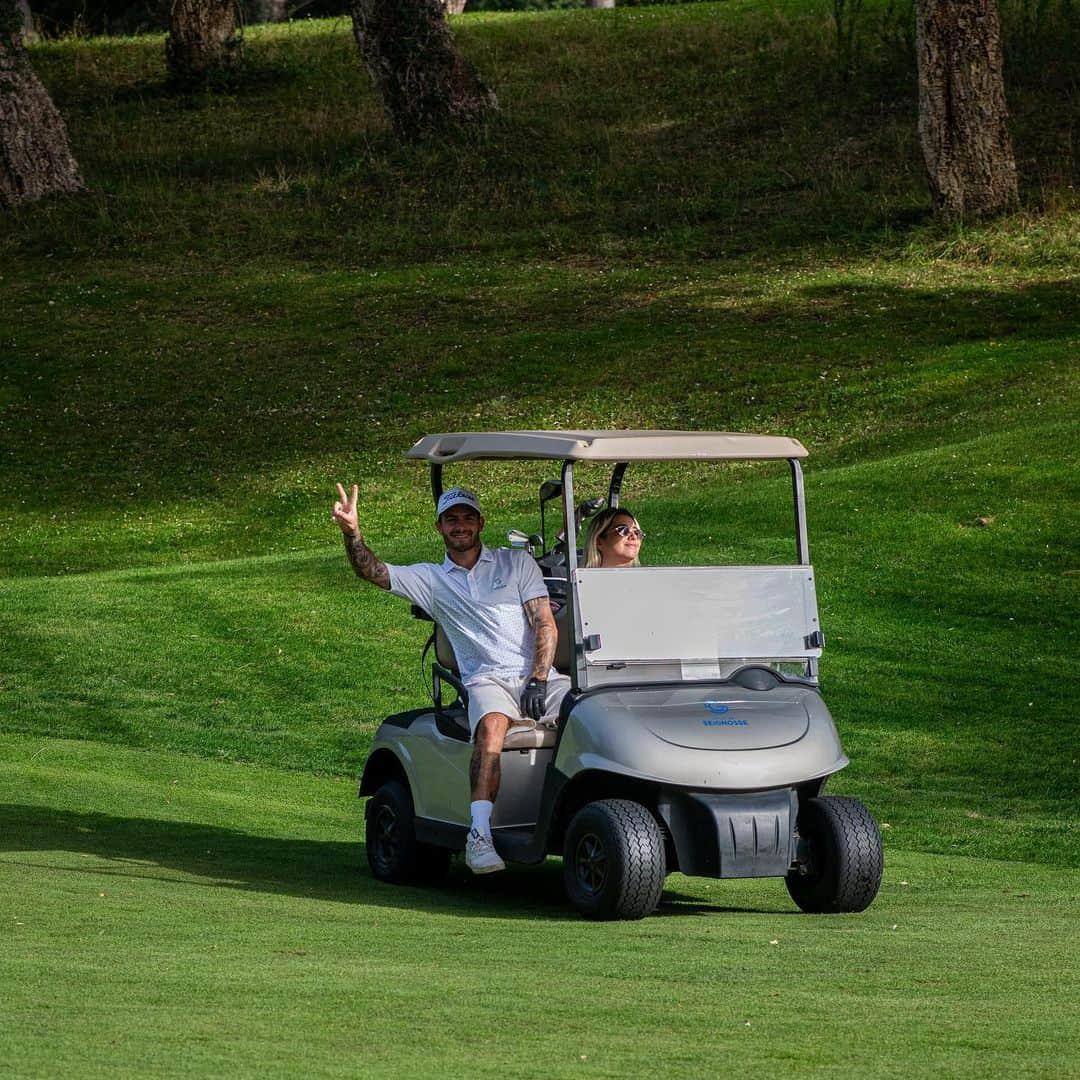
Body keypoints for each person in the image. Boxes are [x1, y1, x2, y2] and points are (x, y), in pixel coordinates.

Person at [332, 482, 570, 875]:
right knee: (492, 728)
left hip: (536, 677)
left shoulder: (516, 564)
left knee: (590, 718)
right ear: (440, 528)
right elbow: (372, 571)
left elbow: (544, 621)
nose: (460, 525)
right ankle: (479, 836)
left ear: (480, 523)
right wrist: (352, 533)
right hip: (485, 679)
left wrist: (539, 678)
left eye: (467, 517)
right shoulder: (430, 579)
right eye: (451, 519)